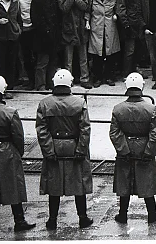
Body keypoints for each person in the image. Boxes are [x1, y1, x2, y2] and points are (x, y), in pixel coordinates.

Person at [35, 69, 94, 230]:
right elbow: (85, 129)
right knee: (79, 183)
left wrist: (48, 150)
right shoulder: (79, 102)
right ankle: (82, 218)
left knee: (54, 185)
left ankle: (52, 219)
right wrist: (81, 150)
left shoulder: (45, 103)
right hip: (74, 144)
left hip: (54, 144)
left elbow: (42, 129)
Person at [109, 72, 156, 224]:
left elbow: (114, 133)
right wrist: (149, 151)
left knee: (124, 181)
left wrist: (123, 149)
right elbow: (154, 133)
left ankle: (122, 214)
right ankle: (152, 214)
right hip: (143, 145)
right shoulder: (150, 108)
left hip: (125, 145)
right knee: (146, 180)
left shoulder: (118, 109)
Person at [0, 75, 36, 232]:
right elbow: (18, 135)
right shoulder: (10, 112)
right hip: (6, 150)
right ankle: (19, 220)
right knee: (13, 186)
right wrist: (19, 152)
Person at [86, 0, 120, 87]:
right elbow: (88, 11)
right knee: (97, 55)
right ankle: (98, 78)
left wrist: (116, 15)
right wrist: (87, 22)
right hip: (96, 28)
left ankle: (109, 77)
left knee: (110, 54)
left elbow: (117, 9)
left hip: (110, 28)